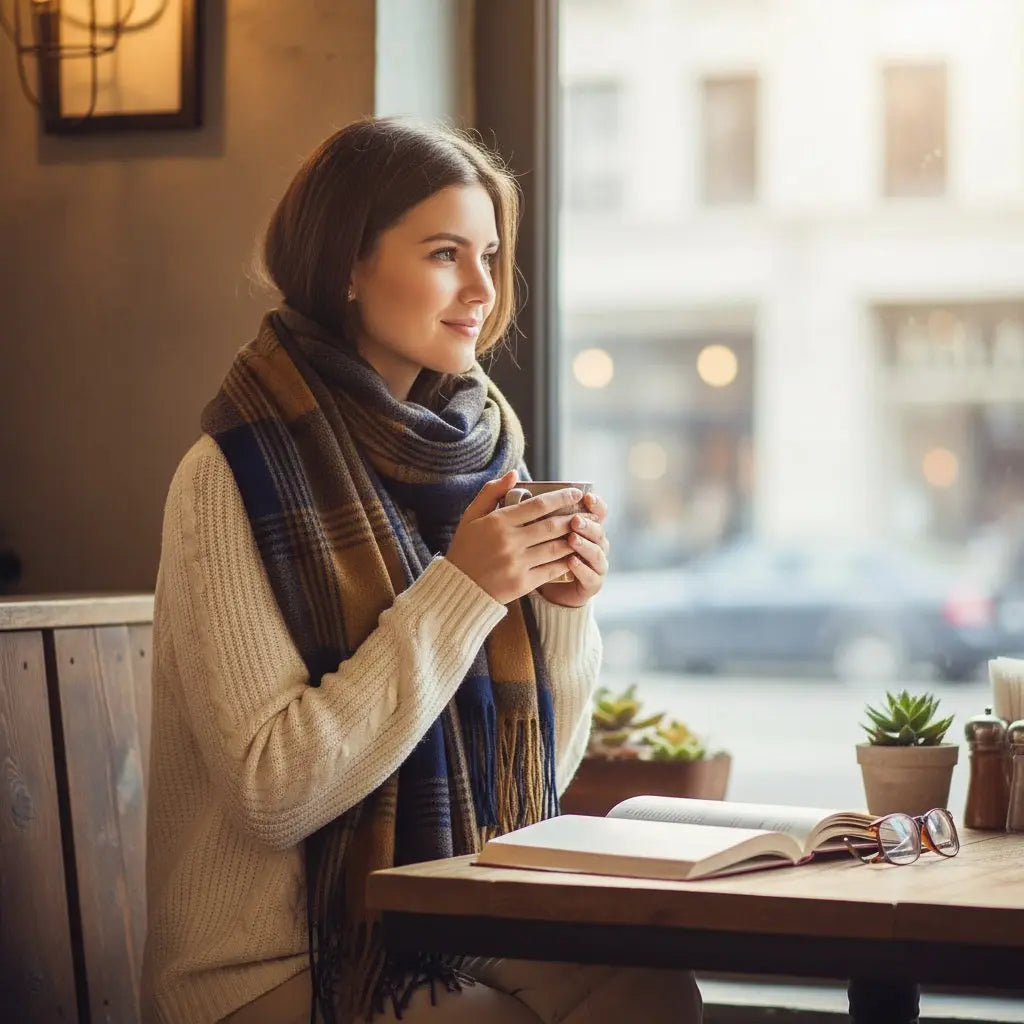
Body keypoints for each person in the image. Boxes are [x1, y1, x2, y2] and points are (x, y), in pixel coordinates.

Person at [140, 116, 702, 1024]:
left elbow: (532, 781)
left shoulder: (481, 444)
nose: (483, 289)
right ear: (348, 266)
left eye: (490, 255)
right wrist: (465, 591)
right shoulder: (232, 474)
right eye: (446, 254)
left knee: (653, 995)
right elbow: (273, 795)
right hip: (264, 962)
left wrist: (561, 610)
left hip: (445, 910)